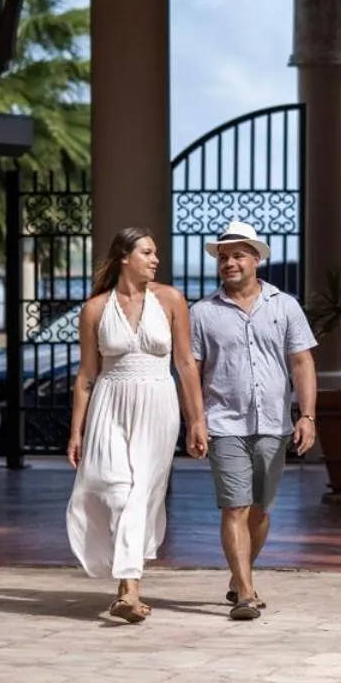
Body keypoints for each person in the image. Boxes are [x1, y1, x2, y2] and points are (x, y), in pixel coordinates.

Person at [66, 227, 207, 623]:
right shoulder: (95, 309)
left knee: (140, 492)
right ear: (124, 257)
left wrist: (197, 420)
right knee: (113, 488)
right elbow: (86, 376)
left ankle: (128, 590)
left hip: (158, 403)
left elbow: (184, 363)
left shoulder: (171, 300)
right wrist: (76, 430)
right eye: (147, 252)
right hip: (110, 402)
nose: (155, 259)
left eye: (155, 252)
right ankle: (127, 583)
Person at [190, 218, 318, 622]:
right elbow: (190, 369)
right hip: (224, 423)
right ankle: (246, 593)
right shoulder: (203, 313)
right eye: (223, 257)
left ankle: (237, 575)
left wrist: (307, 415)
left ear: (256, 259)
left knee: (260, 511)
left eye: (238, 255)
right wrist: (195, 419)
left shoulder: (285, 306)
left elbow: (302, 362)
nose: (229, 263)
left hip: (273, 424)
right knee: (235, 507)